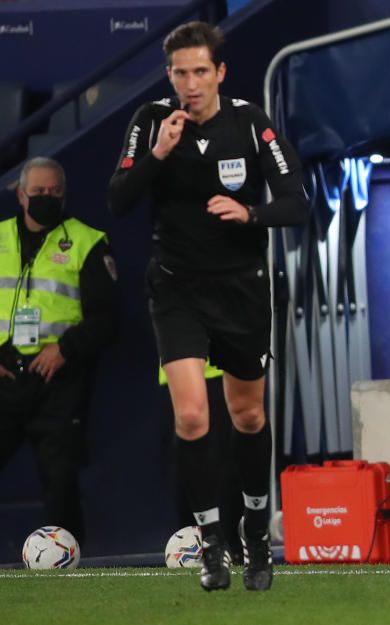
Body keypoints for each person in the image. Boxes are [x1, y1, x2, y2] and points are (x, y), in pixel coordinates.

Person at [107, 21, 308, 591]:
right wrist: (158, 155)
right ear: (169, 75)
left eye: (200, 71)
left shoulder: (250, 122)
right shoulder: (151, 123)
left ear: (220, 72)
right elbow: (118, 200)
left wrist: (251, 214)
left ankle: (254, 532)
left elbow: (296, 201)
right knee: (192, 415)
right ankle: (210, 544)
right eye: (179, 73)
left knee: (247, 414)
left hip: (242, 288)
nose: (189, 84)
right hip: (176, 288)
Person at [0, 157, 118, 546]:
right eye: (38, 193)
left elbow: (107, 317)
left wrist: (65, 350)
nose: (46, 198)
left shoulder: (87, 241)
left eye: (54, 192)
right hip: (5, 375)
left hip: (58, 378)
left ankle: (66, 569)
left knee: (61, 480)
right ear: (20, 195)